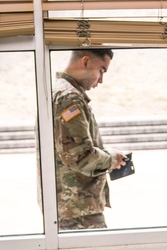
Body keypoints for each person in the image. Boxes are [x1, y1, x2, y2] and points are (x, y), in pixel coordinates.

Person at [50, 48, 128, 230]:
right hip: (78, 210)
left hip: (70, 206)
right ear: (85, 61)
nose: (101, 80)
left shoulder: (58, 90)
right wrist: (112, 159)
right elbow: (80, 156)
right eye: (101, 70)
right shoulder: (69, 98)